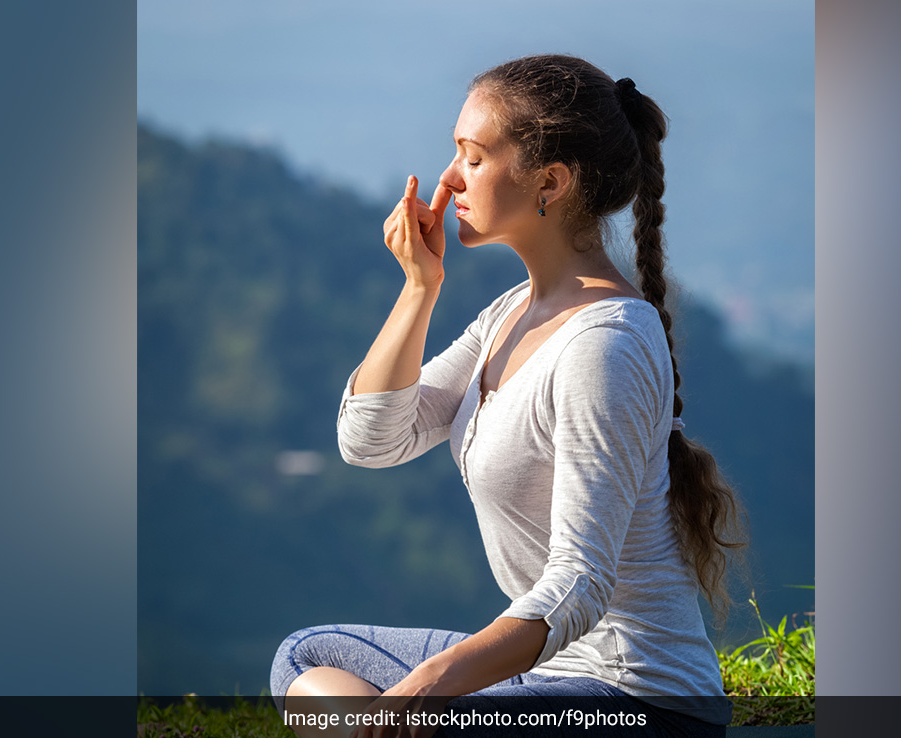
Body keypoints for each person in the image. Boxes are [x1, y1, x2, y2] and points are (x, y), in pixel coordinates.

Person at [270, 54, 745, 738]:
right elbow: (372, 440)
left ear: (550, 181)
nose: (448, 178)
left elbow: (579, 586)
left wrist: (429, 687)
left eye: (472, 156)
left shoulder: (602, 346)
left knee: (407, 714)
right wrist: (418, 290)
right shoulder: (510, 314)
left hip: (636, 704)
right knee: (307, 658)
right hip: (548, 676)